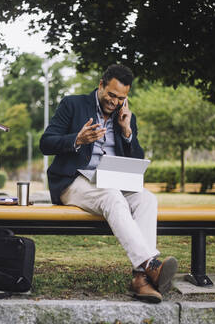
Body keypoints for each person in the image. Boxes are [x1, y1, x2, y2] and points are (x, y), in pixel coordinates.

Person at [40, 64, 177, 303]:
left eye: (120, 98)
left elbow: (135, 160)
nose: (114, 102)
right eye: (111, 95)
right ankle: (149, 265)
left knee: (147, 198)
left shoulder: (125, 117)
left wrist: (126, 132)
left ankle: (140, 279)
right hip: (74, 182)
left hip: (112, 181)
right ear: (101, 85)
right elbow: (46, 142)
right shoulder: (73, 104)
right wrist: (77, 139)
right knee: (111, 195)